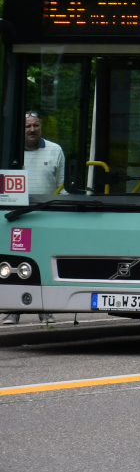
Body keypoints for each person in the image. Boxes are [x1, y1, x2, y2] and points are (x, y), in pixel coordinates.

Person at [4, 114, 61, 324]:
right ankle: (13, 309)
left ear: (41, 127)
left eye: (36, 125)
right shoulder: (10, 153)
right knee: (16, 264)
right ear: (22, 129)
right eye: (27, 125)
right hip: (19, 217)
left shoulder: (55, 151)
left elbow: (63, 187)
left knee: (46, 262)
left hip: (48, 216)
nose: (32, 129)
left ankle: (45, 310)